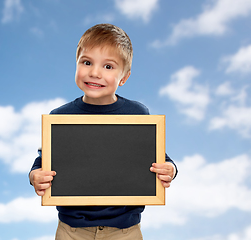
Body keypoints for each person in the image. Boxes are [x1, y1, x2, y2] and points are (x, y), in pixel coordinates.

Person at [29, 23, 177, 240]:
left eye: (108, 66)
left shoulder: (137, 114)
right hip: (72, 230)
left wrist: (170, 169)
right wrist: (35, 176)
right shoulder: (59, 117)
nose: (95, 72)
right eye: (87, 62)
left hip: (125, 231)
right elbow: (42, 162)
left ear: (124, 77)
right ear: (76, 64)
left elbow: (160, 158)